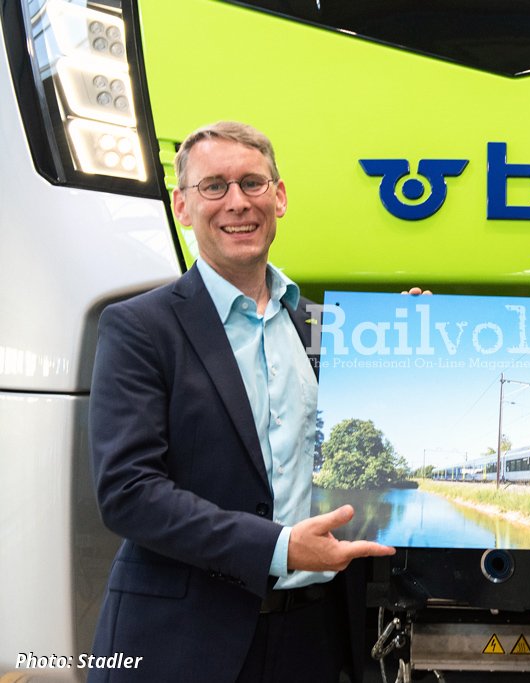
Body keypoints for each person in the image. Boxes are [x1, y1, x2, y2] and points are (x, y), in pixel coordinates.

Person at [88, 121, 395, 683]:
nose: (237, 202)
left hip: (316, 639)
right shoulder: (139, 328)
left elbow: (383, 433)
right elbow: (128, 492)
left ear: (279, 198)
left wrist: (416, 334)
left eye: (253, 183)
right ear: (183, 206)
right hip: (181, 643)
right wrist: (278, 547)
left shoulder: (329, 329)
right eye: (214, 186)